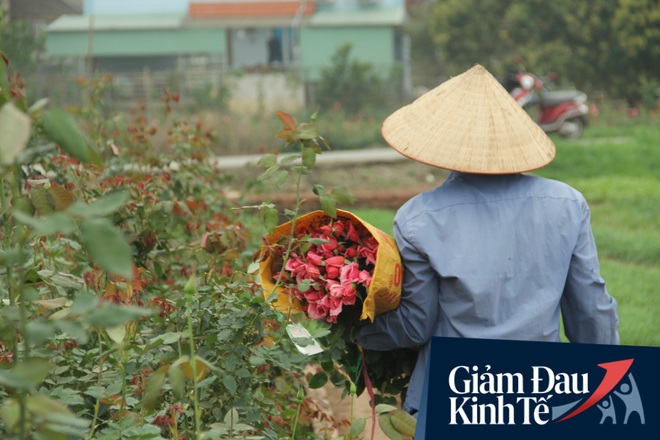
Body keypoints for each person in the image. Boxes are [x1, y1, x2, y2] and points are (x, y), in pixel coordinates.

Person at [354, 64, 620, 417]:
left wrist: (352, 325)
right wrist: (607, 392)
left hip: (456, 400)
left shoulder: (419, 218)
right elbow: (591, 315)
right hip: (541, 398)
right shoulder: (566, 205)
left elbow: (414, 326)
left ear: (443, 143)